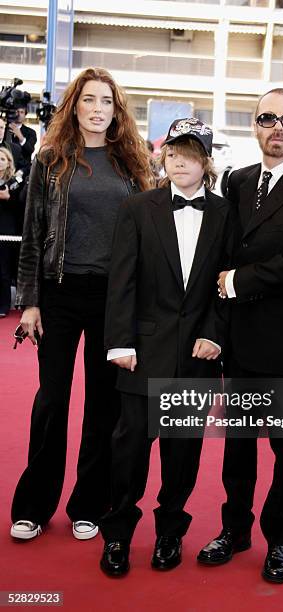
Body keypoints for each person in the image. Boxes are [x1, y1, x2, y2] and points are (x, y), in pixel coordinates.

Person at [197, 88, 283, 583]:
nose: (276, 127)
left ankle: (280, 540)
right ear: (254, 127)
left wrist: (237, 280)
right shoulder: (235, 182)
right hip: (241, 339)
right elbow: (221, 249)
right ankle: (233, 531)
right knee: (238, 445)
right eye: (266, 118)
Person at [10, 67, 153, 541]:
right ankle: (33, 505)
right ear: (74, 106)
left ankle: (89, 502)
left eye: (106, 102)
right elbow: (31, 238)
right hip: (59, 293)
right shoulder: (50, 159)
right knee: (50, 401)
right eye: (89, 100)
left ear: (117, 111)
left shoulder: (133, 163)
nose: (97, 109)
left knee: (102, 404)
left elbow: (146, 240)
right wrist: (30, 302)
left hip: (113, 297)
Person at [99, 117, 233, 577]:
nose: (178, 161)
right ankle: (116, 535)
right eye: (172, 152)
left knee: (181, 456)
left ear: (206, 162)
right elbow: (122, 279)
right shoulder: (138, 207)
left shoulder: (225, 214)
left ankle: (170, 533)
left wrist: (216, 333)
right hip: (141, 354)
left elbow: (227, 284)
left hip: (196, 357)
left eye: (190, 154)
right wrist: (119, 341)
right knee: (129, 452)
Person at [0, 147, 23, 316]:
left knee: (3, 269)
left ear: (9, 162)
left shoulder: (15, 182)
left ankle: (4, 305)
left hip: (7, 231)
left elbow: (20, 206)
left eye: (2, 159)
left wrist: (8, 198)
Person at [7, 103, 37, 172]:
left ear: (25, 115)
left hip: (22, 171)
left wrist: (21, 137)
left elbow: (30, 150)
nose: (19, 114)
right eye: (17, 112)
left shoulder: (31, 132)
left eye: (22, 112)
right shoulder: (3, 129)